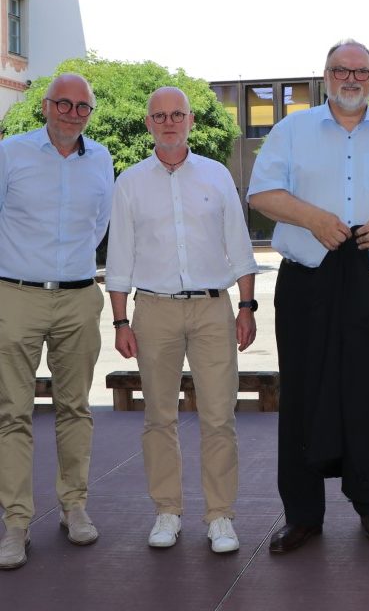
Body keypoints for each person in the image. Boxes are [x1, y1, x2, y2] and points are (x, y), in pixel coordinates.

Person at [247, 39, 369, 555]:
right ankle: (303, 514)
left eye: (362, 71)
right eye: (341, 69)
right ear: (324, 75)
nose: (352, 78)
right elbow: (260, 193)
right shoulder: (290, 131)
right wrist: (312, 218)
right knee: (303, 394)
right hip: (309, 277)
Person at [105, 87, 258, 554]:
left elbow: (239, 243)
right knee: (159, 417)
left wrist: (246, 307)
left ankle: (220, 517)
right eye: (160, 116)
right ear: (149, 124)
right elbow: (120, 255)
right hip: (154, 310)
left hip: (213, 309)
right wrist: (120, 321)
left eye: (177, 115)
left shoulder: (216, 175)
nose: (169, 122)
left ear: (190, 121)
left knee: (219, 417)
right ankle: (167, 512)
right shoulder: (130, 182)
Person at [0, 74, 113, 570]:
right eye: (62, 104)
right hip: (16, 296)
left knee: (75, 409)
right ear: (45, 106)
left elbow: (100, 225)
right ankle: (16, 524)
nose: (71, 113)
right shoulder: (10, 153)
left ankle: (74, 507)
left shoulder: (103, 160)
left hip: (78, 299)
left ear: (90, 112)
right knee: (12, 414)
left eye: (81, 106)